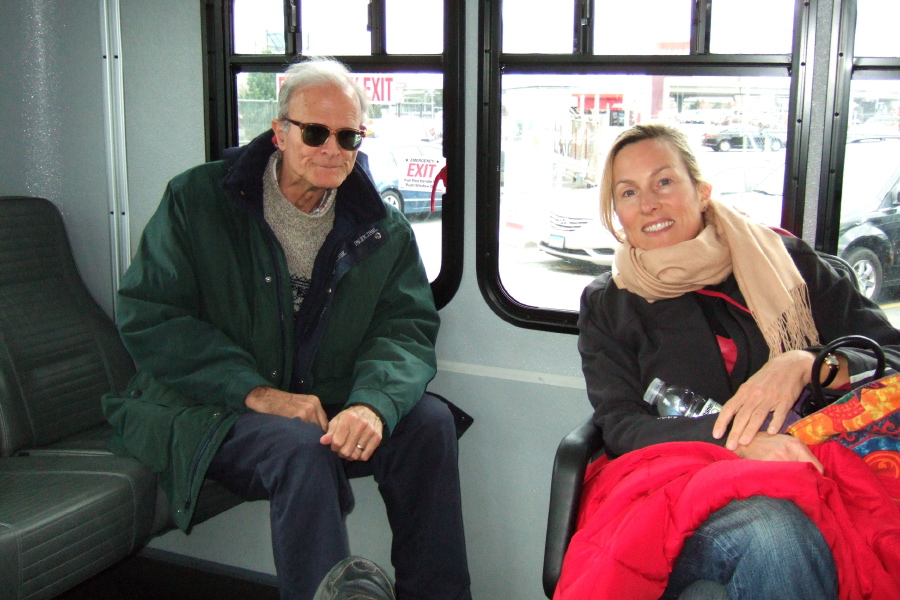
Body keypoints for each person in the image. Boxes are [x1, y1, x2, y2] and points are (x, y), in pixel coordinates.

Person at [102, 56, 471, 600]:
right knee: (300, 446)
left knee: (428, 422)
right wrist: (256, 392)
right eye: (315, 131)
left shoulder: (381, 229)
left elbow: (405, 328)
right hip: (208, 404)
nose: (332, 148)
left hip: (321, 396)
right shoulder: (199, 201)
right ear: (278, 132)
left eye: (348, 137)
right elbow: (151, 315)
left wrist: (371, 404)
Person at [576, 123, 900, 599]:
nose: (648, 204)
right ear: (617, 212)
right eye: (628, 192)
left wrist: (805, 363)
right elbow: (620, 425)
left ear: (701, 191)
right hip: (680, 484)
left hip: (813, 460)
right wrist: (736, 442)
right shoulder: (609, 302)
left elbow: (889, 355)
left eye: (664, 182)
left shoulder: (786, 261)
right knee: (775, 534)